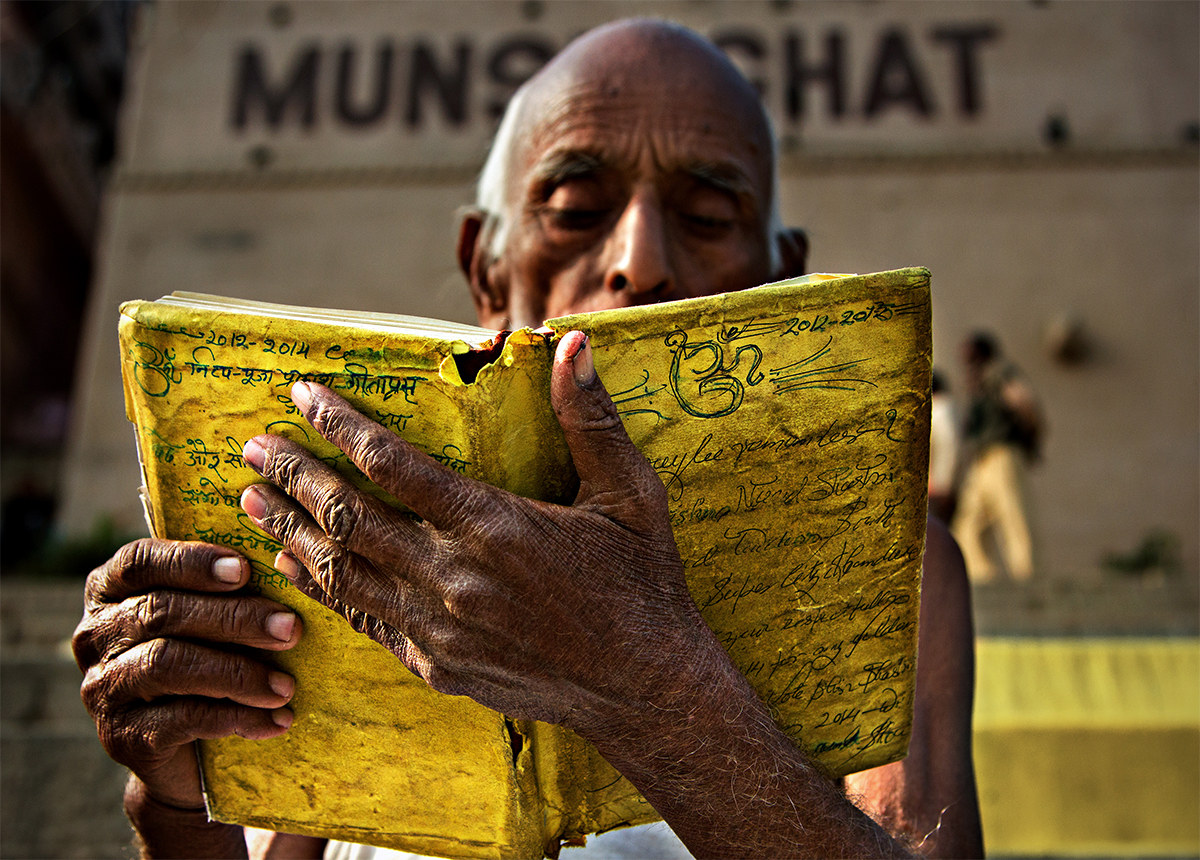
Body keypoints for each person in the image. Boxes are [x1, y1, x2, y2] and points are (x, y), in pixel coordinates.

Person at [73, 19, 983, 859]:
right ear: (486, 268)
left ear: (782, 283)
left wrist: (646, 687)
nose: (642, 261)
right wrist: (174, 800)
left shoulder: (878, 563)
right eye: (577, 209)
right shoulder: (358, 547)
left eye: (708, 219)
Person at [952, 331, 1042, 583]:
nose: (964, 362)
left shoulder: (998, 372)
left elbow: (1025, 403)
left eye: (969, 355)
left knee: (1013, 517)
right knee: (968, 526)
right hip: (982, 460)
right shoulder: (978, 382)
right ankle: (982, 579)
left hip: (1002, 454)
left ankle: (1027, 576)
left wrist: (1031, 439)